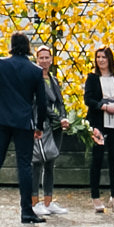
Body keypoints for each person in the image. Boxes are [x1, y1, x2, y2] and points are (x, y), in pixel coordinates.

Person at [0, 31, 45, 226]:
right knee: (24, 165)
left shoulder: (0, 65)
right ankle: (26, 210)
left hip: (2, 119)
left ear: (12, 46)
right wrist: (39, 126)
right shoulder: (35, 71)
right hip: (23, 122)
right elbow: (41, 103)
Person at [84, 46, 114, 214]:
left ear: (109, 59)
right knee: (97, 159)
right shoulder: (93, 78)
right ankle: (95, 196)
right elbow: (88, 99)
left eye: (103, 57)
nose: (100, 60)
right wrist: (104, 106)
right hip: (98, 123)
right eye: (98, 57)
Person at [32, 44, 67, 215]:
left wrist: (64, 116)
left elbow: (60, 101)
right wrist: (58, 118)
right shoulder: (34, 79)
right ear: (36, 60)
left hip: (55, 126)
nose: (44, 61)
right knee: (37, 163)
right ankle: (34, 202)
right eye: (41, 58)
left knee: (50, 163)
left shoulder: (53, 79)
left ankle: (48, 201)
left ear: (51, 59)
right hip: (41, 125)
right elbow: (42, 105)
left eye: (47, 57)